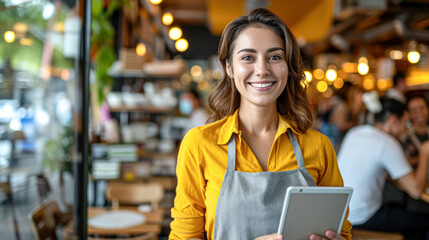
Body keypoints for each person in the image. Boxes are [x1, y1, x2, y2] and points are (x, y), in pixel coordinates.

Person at [170, 8, 351, 240]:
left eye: (275, 57)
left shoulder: (319, 146)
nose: (262, 70)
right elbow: (184, 236)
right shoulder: (200, 144)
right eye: (248, 57)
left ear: (288, 67)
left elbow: (342, 231)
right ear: (229, 68)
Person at [338, 97, 429, 239]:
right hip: (362, 217)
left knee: (403, 209)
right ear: (393, 120)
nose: (405, 129)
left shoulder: (355, 132)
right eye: (405, 123)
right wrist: (424, 153)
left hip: (342, 214)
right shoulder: (387, 142)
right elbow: (416, 191)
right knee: (425, 221)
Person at [402, 95, 429, 167]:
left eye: (422, 108)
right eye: (414, 110)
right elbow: (402, 162)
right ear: (408, 114)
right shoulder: (404, 137)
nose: (419, 113)